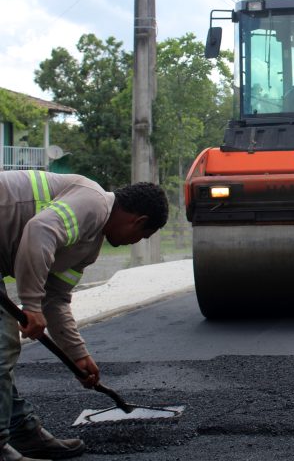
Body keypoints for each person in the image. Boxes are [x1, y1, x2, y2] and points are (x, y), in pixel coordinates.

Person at [0, 170, 168, 461]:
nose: (136, 242)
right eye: (143, 236)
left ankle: (22, 433)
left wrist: (78, 355)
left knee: (2, 349)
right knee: (2, 347)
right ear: (138, 221)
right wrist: (30, 305)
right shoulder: (94, 201)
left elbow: (57, 298)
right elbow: (40, 230)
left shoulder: (88, 247)